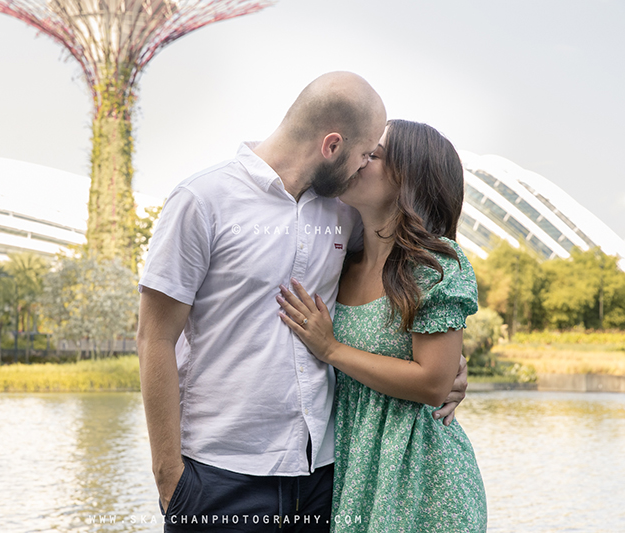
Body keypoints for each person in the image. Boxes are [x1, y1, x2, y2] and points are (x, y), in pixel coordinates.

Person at [137, 73, 468, 532]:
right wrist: (169, 477)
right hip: (220, 476)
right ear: (332, 146)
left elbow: (400, 281)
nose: (365, 164)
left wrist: (449, 360)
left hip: (322, 479)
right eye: (364, 153)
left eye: (375, 155)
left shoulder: (344, 212)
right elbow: (155, 337)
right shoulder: (202, 201)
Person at [277, 119, 487, 531]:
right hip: (356, 469)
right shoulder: (343, 262)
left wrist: (332, 349)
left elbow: (433, 383)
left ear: (408, 178)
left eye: (374, 155)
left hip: (424, 478)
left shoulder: (437, 266)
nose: (359, 159)